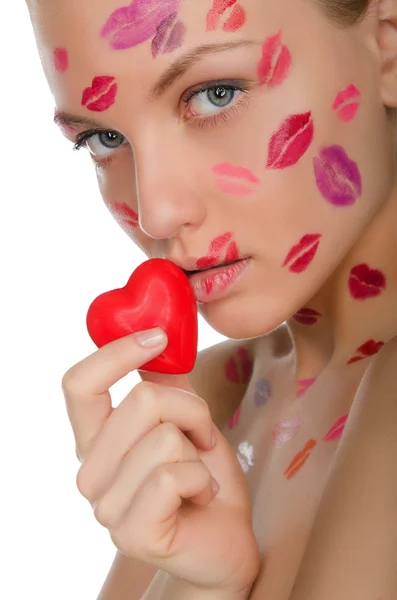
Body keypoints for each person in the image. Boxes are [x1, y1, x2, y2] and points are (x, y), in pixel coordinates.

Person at [25, 0, 397, 597]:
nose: (157, 211)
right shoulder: (210, 400)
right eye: (104, 137)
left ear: (389, 43)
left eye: (215, 94)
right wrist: (205, 585)